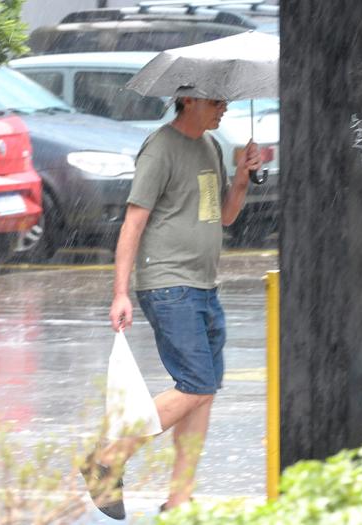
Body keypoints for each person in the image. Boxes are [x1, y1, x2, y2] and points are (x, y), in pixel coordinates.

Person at [81, 95, 262, 520]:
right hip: (168, 284)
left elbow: (224, 217)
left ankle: (180, 499)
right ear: (188, 100)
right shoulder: (160, 148)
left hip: (204, 285)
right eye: (217, 101)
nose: (224, 108)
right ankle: (107, 457)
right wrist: (120, 292)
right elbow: (133, 222)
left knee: (204, 393)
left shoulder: (210, 146)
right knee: (196, 385)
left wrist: (240, 178)